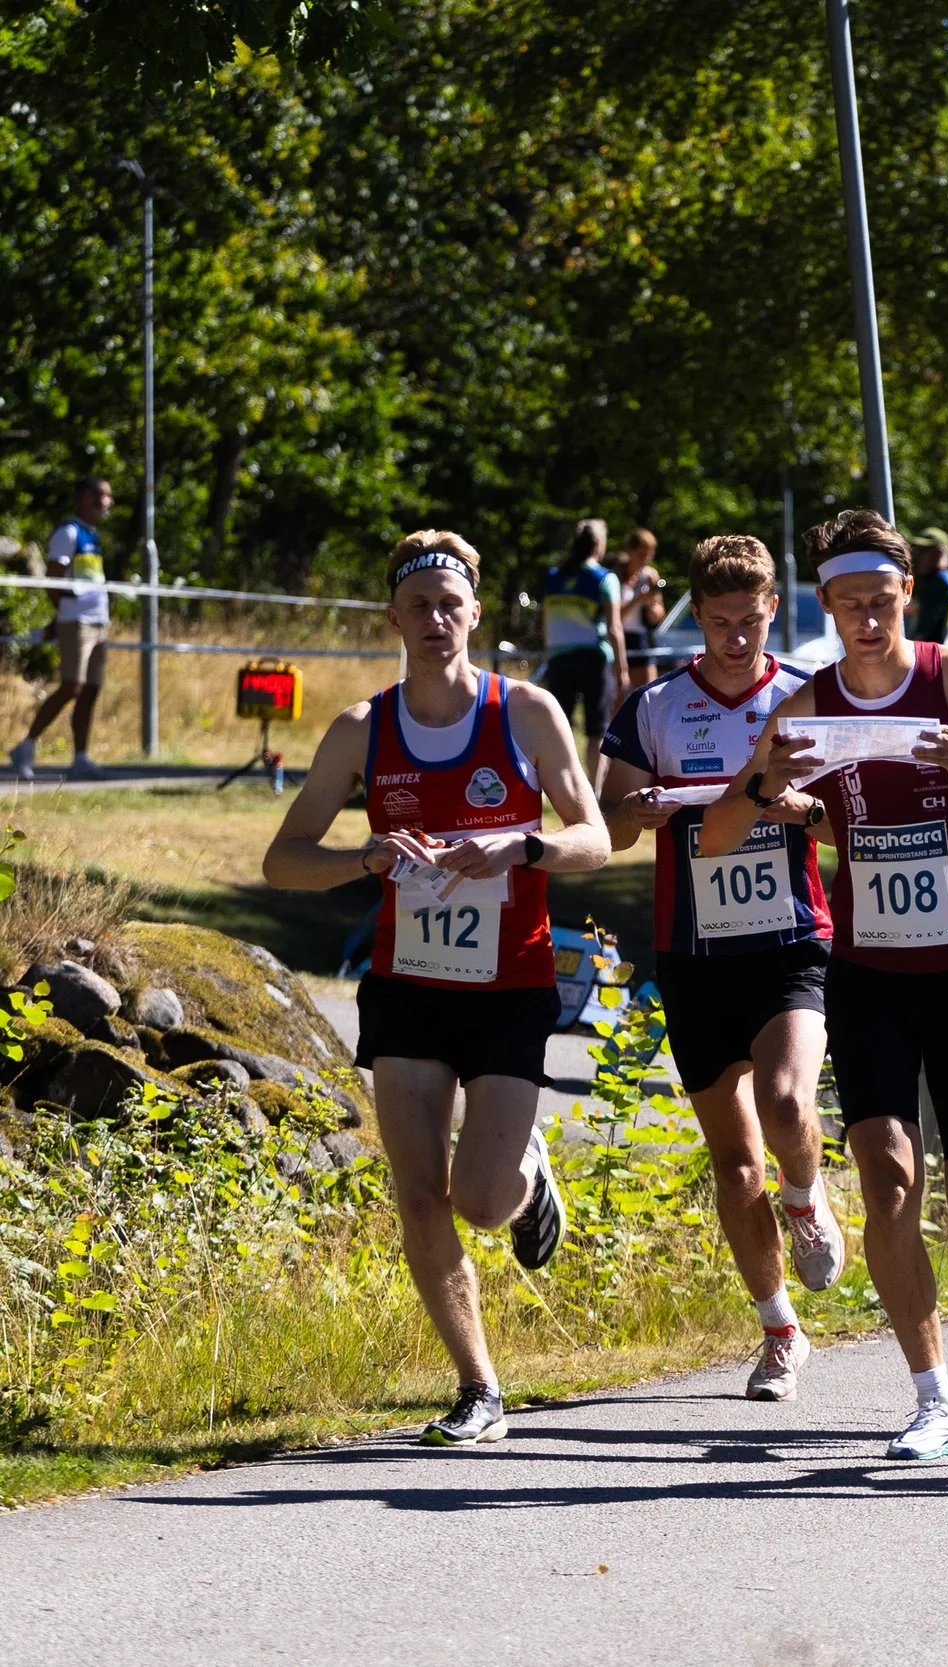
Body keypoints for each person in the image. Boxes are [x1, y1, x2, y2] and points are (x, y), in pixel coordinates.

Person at [705, 509, 948, 1460]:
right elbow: (724, 834)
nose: (866, 618)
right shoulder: (807, 702)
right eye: (848, 603)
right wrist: (768, 781)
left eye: (882, 601)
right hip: (866, 975)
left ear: (909, 595)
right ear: (825, 605)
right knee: (890, 1179)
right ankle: (932, 1398)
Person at [261, 530, 609, 1445]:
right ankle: (478, 1387)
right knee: (420, 1195)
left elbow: (598, 836)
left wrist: (520, 845)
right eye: (417, 605)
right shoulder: (361, 730)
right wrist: (360, 857)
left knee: (479, 1201)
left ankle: (527, 1175)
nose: (434, 620)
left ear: (475, 613)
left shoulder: (526, 711)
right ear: (393, 617)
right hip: (407, 983)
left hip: (510, 981)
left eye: (449, 604)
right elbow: (281, 861)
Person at [600, 534, 845, 1404]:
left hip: (789, 939)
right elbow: (613, 821)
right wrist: (648, 802)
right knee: (734, 1161)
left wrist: (798, 804)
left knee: (786, 1102)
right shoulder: (657, 704)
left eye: (750, 620)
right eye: (718, 623)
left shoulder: (804, 700)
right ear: (695, 618)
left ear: (774, 609)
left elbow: (841, 826)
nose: (736, 638)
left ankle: (809, 1197)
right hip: (694, 951)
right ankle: (780, 1330)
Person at [13, 474, 115, 781]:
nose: (108, 503)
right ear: (86, 498)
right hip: (76, 621)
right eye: (103, 496)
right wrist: (60, 617)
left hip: (99, 621)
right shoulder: (68, 533)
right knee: (72, 685)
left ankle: (81, 758)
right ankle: (26, 745)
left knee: (90, 690)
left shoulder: (92, 535)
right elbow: (53, 579)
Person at [542, 519, 630, 791]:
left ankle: (557, 787)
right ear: (597, 545)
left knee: (558, 729)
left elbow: (545, 622)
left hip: (558, 658)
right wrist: (622, 669)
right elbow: (614, 627)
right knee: (597, 730)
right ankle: (593, 790)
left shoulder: (554, 576)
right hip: (593, 658)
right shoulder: (605, 578)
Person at [611, 527, 668, 687]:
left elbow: (657, 615)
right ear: (630, 551)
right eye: (641, 555)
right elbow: (613, 618)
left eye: (649, 554)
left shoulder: (650, 575)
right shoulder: (614, 576)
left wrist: (651, 606)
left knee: (648, 690)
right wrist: (637, 601)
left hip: (641, 638)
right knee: (618, 695)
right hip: (617, 638)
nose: (645, 559)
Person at [909, 526, 948, 653]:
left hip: (937, 656)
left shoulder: (937, 583)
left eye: (924, 551)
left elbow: (924, 628)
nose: (919, 557)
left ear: (940, 553)